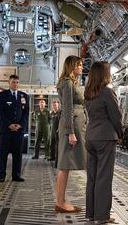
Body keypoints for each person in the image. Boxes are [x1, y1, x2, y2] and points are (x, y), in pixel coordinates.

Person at [84, 61, 122, 223]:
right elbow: (116, 116)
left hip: (91, 137)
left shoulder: (88, 92)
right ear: (104, 74)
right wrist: (120, 134)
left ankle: (91, 214)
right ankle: (102, 216)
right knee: (104, 177)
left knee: (92, 177)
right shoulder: (107, 92)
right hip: (105, 137)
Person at [55, 55, 86, 213]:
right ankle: (60, 202)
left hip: (73, 125)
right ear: (71, 66)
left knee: (66, 165)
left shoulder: (71, 82)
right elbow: (67, 108)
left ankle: (62, 200)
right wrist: (70, 133)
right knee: (64, 165)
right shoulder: (67, 83)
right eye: (79, 65)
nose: (81, 67)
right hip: (71, 126)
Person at [0, 75, 29, 182]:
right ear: (9, 83)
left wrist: (20, 125)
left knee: (18, 154)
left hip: (19, 130)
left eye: (17, 82)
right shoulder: (2, 95)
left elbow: (26, 113)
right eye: (13, 82)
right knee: (3, 153)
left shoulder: (24, 96)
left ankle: (16, 175)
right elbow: (0, 112)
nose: (16, 84)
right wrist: (9, 124)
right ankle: (1, 175)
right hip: (5, 130)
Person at [48, 100, 61, 165]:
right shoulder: (51, 113)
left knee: (57, 145)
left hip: (58, 131)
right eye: (53, 105)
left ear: (58, 105)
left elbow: (62, 122)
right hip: (52, 131)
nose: (54, 106)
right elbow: (50, 122)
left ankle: (57, 158)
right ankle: (52, 156)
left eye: (55, 105)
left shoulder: (60, 112)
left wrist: (59, 129)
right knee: (52, 144)